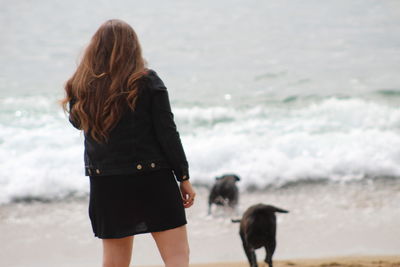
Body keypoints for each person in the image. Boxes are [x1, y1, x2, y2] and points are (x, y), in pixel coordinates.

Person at [61, 19, 195, 267]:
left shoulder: (82, 86)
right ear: (134, 48)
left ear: (94, 50)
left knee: (114, 263)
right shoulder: (147, 81)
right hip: (152, 177)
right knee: (177, 257)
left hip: (107, 183)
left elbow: (77, 123)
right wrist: (183, 176)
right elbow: (167, 132)